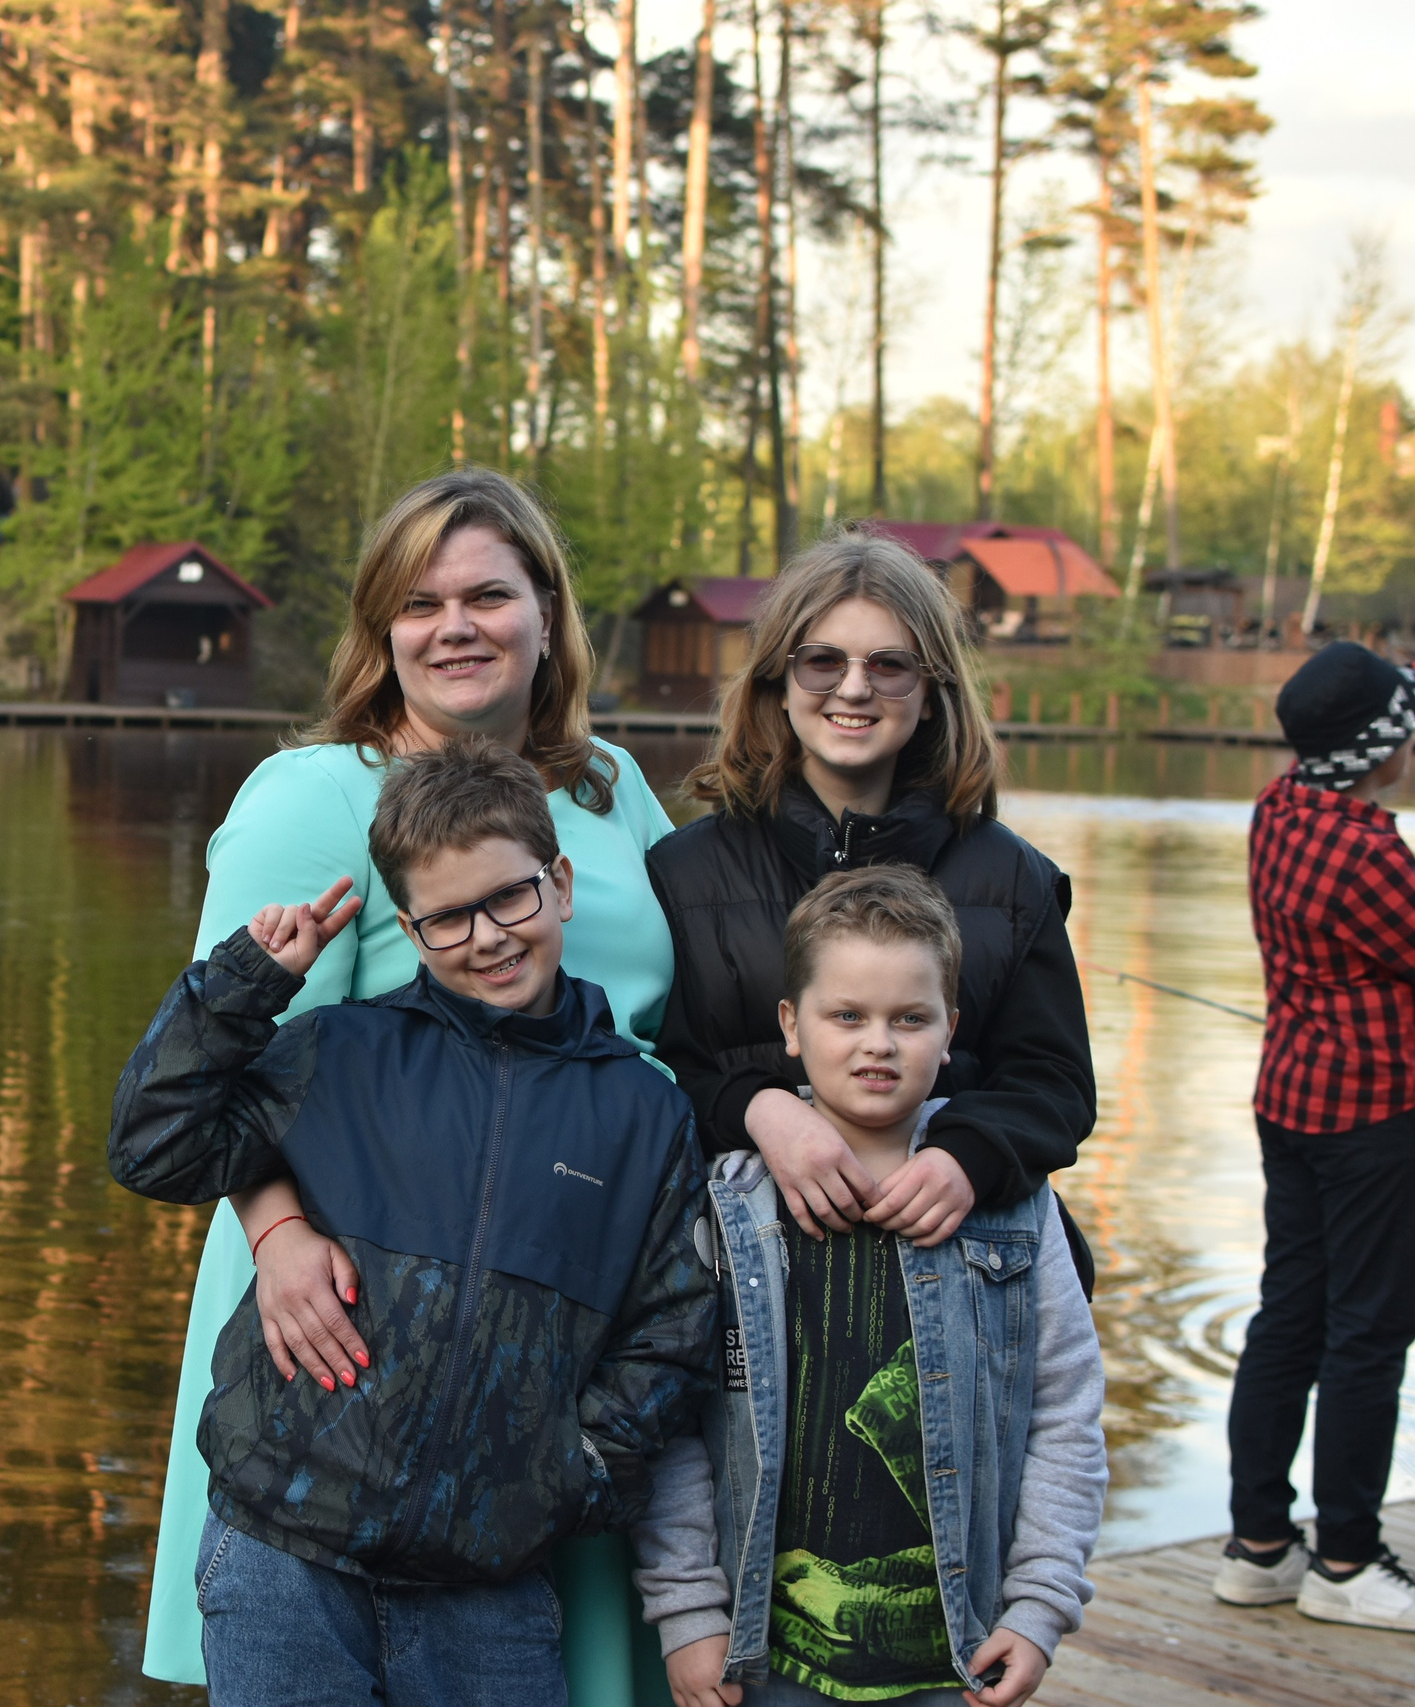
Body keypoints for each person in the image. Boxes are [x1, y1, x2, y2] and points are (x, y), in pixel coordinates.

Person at [143, 466, 688, 1704]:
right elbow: (219, 1058)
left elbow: (685, 1017)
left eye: (488, 594)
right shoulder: (319, 795)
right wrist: (276, 1233)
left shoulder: (609, 789)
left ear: (546, 614)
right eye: (420, 601)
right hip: (353, 1315)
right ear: (382, 630)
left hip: (570, 1303)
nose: (455, 627)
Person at [634, 867, 1106, 1707]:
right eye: (846, 1015)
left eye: (910, 1018)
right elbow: (674, 1418)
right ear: (791, 1023)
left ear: (951, 1029)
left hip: (959, 1657)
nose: (877, 1042)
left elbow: (1065, 1410)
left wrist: (1040, 1605)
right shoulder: (726, 1204)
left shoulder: (1016, 1207)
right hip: (765, 1657)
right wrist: (688, 1608)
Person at [646, 533, 1095, 1287]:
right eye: (823, 661)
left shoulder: (1012, 878)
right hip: (747, 1280)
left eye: (889, 666)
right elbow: (655, 1067)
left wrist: (967, 1156)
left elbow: (1055, 1083)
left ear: (929, 696)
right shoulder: (685, 872)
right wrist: (759, 1109)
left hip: (954, 1270)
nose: (854, 689)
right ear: (778, 683)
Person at [1214, 641, 1415, 1631]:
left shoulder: (1279, 807)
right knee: (1369, 1331)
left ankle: (1258, 1545)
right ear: (1378, 747)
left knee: (1287, 1314)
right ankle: (1343, 1558)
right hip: (1374, 1113)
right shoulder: (1368, 853)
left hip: (1288, 1097)